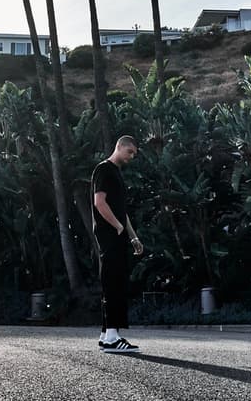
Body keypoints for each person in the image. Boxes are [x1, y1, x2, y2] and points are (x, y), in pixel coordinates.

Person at [91, 135, 143, 353]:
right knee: (113, 282)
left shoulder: (116, 174)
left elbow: (121, 211)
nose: (131, 157)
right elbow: (99, 202)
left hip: (118, 235)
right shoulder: (104, 169)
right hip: (109, 235)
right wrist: (117, 227)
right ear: (119, 146)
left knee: (114, 281)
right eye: (130, 152)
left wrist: (132, 236)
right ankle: (113, 336)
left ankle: (106, 335)